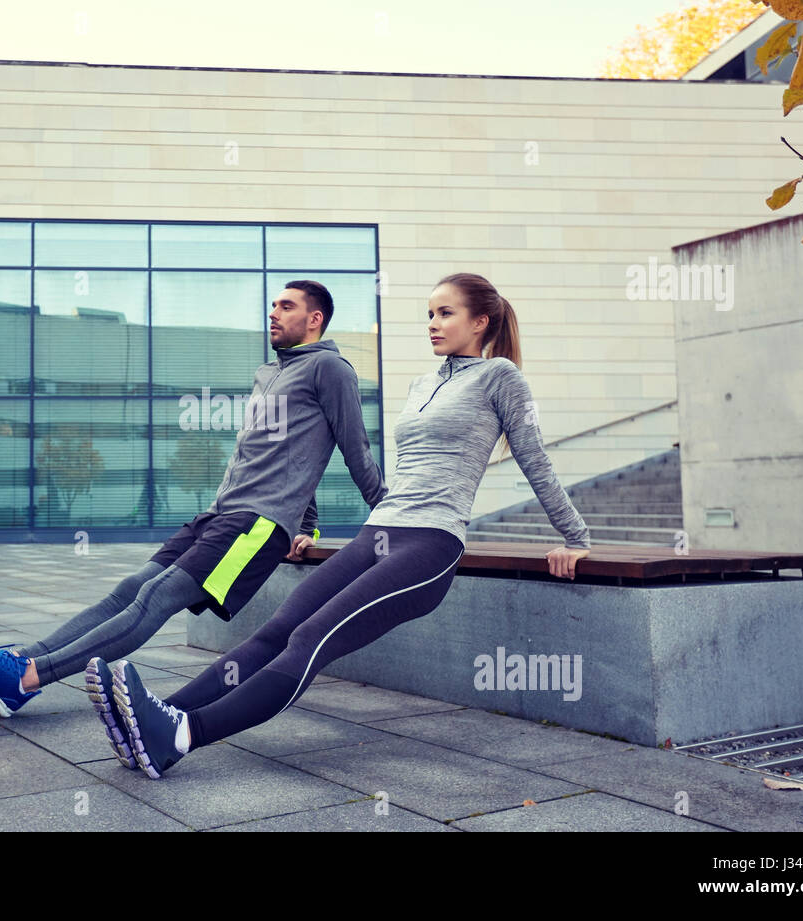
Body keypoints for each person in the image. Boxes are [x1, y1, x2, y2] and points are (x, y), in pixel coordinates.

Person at [103, 272, 593, 778]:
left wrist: (575, 538)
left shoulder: (501, 378)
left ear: (481, 321)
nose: (432, 324)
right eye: (429, 313)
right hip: (379, 531)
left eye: (445, 313)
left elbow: (536, 459)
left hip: (431, 542)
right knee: (277, 630)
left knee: (310, 638)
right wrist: (309, 526)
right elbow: (327, 456)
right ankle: (157, 715)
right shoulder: (422, 383)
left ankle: (181, 736)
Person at [0, 280, 388, 769]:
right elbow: (295, 454)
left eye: (287, 306)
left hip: (256, 525)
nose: (274, 313)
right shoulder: (270, 374)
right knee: (129, 588)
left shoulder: (330, 367)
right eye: (273, 304)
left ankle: (26, 678)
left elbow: (352, 445)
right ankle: (19, 660)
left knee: (157, 598)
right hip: (219, 514)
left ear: (316, 319)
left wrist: (389, 516)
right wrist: (312, 522)